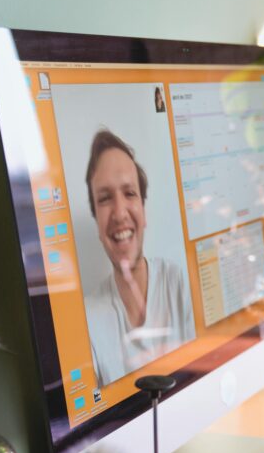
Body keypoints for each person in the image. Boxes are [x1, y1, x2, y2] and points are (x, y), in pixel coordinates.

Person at [83, 129, 195, 386]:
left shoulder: (180, 282)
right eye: (105, 198)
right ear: (97, 222)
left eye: (130, 193)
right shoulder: (87, 320)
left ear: (144, 212)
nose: (120, 212)